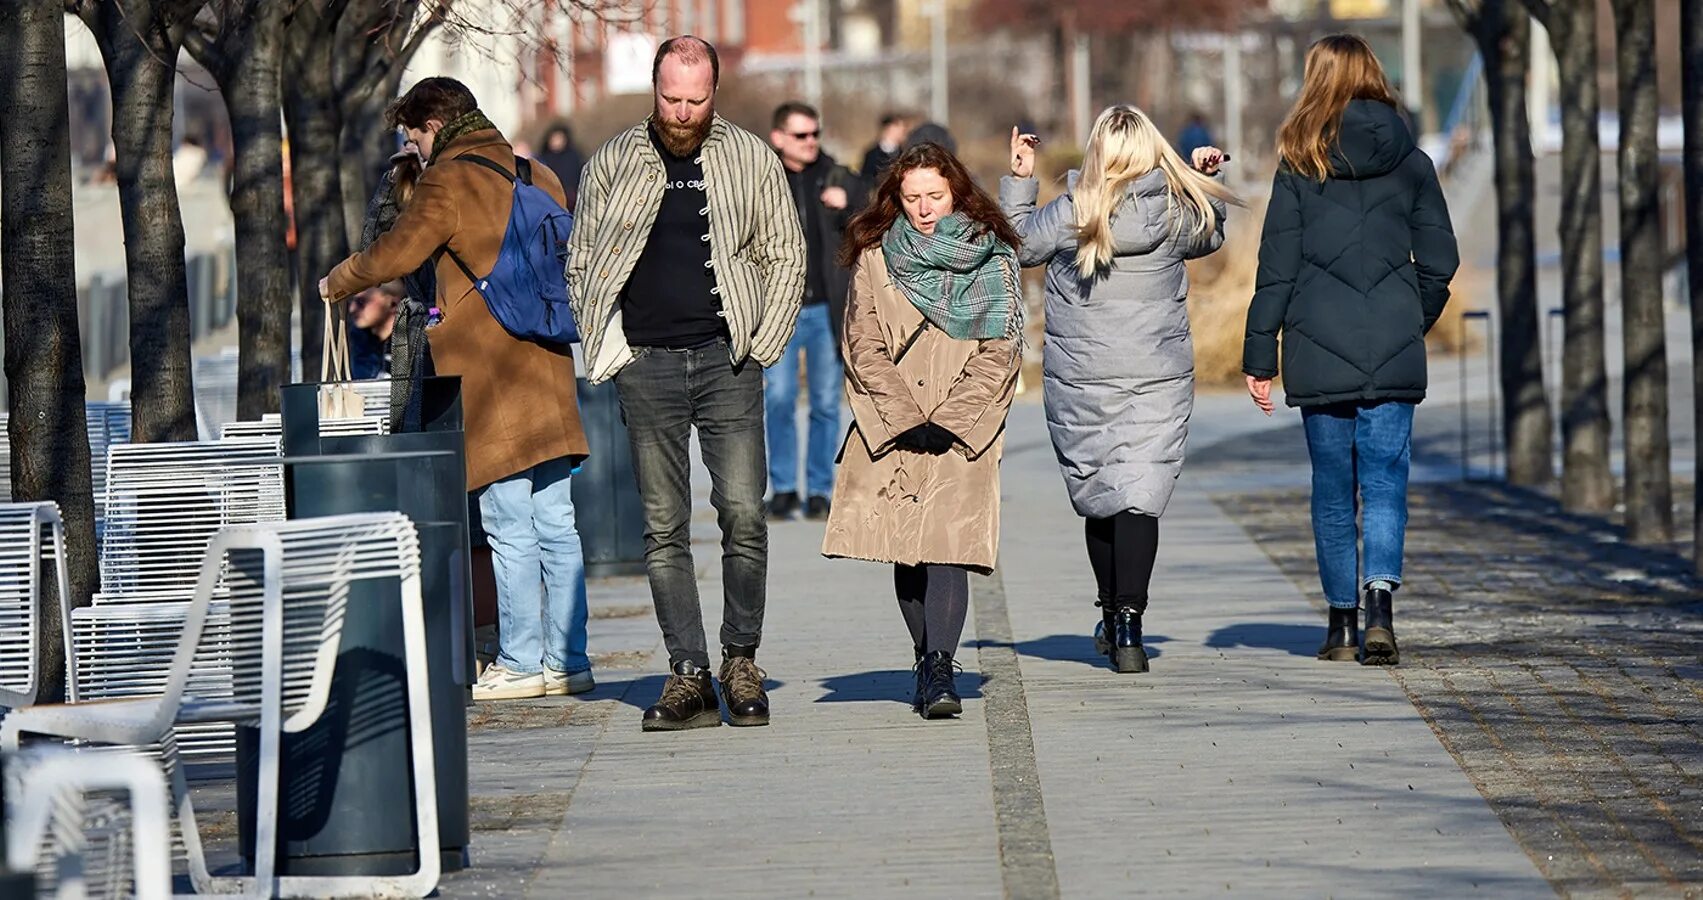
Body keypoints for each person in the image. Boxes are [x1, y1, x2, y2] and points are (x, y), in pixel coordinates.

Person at [321, 76, 596, 701]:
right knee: (556, 519)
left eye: (415, 137)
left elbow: (395, 251)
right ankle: (569, 659)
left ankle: (521, 662)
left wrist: (339, 279)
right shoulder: (538, 174)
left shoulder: (448, 179)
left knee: (506, 522)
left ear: (433, 125)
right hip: (547, 361)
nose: (413, 149)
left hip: (490, 370)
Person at [567, 36, 807, 732]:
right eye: (670, 98)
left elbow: (784, 252)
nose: (681, 112)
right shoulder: (612, 162)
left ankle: (740, 660)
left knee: (742, 511)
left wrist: (762, 342)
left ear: (714, 94)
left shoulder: (750, 158)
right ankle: (688, 673)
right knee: (663, 526)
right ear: (654, 88)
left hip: (727, 359)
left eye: (695, 100)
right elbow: (581, 259)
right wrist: (607, 349)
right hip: (647, 365)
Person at [1243, 34, 1458, 666]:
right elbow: (1440, 260)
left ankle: (1340, 625)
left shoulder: (1298, 165)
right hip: (1391, 349)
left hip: (1316, 348)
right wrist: (1406, 321)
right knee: (1387, 484)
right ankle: (1381, 609)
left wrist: (1261, 358)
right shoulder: (1412, 161)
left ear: (1314, 81)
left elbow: (1275, 270)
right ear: (1374, 76)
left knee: (1334, 491)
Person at [1002, 107, 1235, 674]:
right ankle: (1129, 623)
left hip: (1083, 381)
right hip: (1156, 378)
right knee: (1140, 496)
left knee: (1101, 497)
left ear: (1098, 154)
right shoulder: (1175, 214)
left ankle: (1111, 612)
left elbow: (1015, 247)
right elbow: (1212, 232)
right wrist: (1207, 178)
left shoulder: (1069, 213)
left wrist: (1021, 177)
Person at [822, 143, 1023, 719]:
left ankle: (941, 668)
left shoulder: (991, 254)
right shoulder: (875, 255)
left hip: (964, 426)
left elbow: (1001, 347)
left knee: (948, 547)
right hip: (892, 423)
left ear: (956, 190)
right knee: (905, 550)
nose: (924, 209)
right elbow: (862, 343)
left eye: (934, 196)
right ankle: (924, 653)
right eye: (911, 198)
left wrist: (953, 421)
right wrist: (905, 419)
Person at [765, 101, 866, 521]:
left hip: (826, 307)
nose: (811, 142)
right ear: (779, 138)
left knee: (826, 402)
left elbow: (872, 215)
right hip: (780, 311)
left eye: (815, 134)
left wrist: (846, 205)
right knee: (780, 398)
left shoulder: (837, 174)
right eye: (801, 135)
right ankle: (784, 488)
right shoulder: (762, 178)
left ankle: (821, 489)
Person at [347, 281, 401, 380]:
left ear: (393, 304)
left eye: (361, 302)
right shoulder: (359, 343)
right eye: (351, 302)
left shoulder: (413, 345)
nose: (352, 309)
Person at [536, 122, 585, 210]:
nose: (556, 141)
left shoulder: (573, 156)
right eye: (554, 138)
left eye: (559, 138)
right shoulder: (543, 158)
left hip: (572, 200)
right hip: (549, 199)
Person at [859, 112, 909, 180]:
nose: (903, 130)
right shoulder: (872, 155)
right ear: (888, 128)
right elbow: (865, 180)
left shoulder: (905, 154)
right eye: (898, 126)